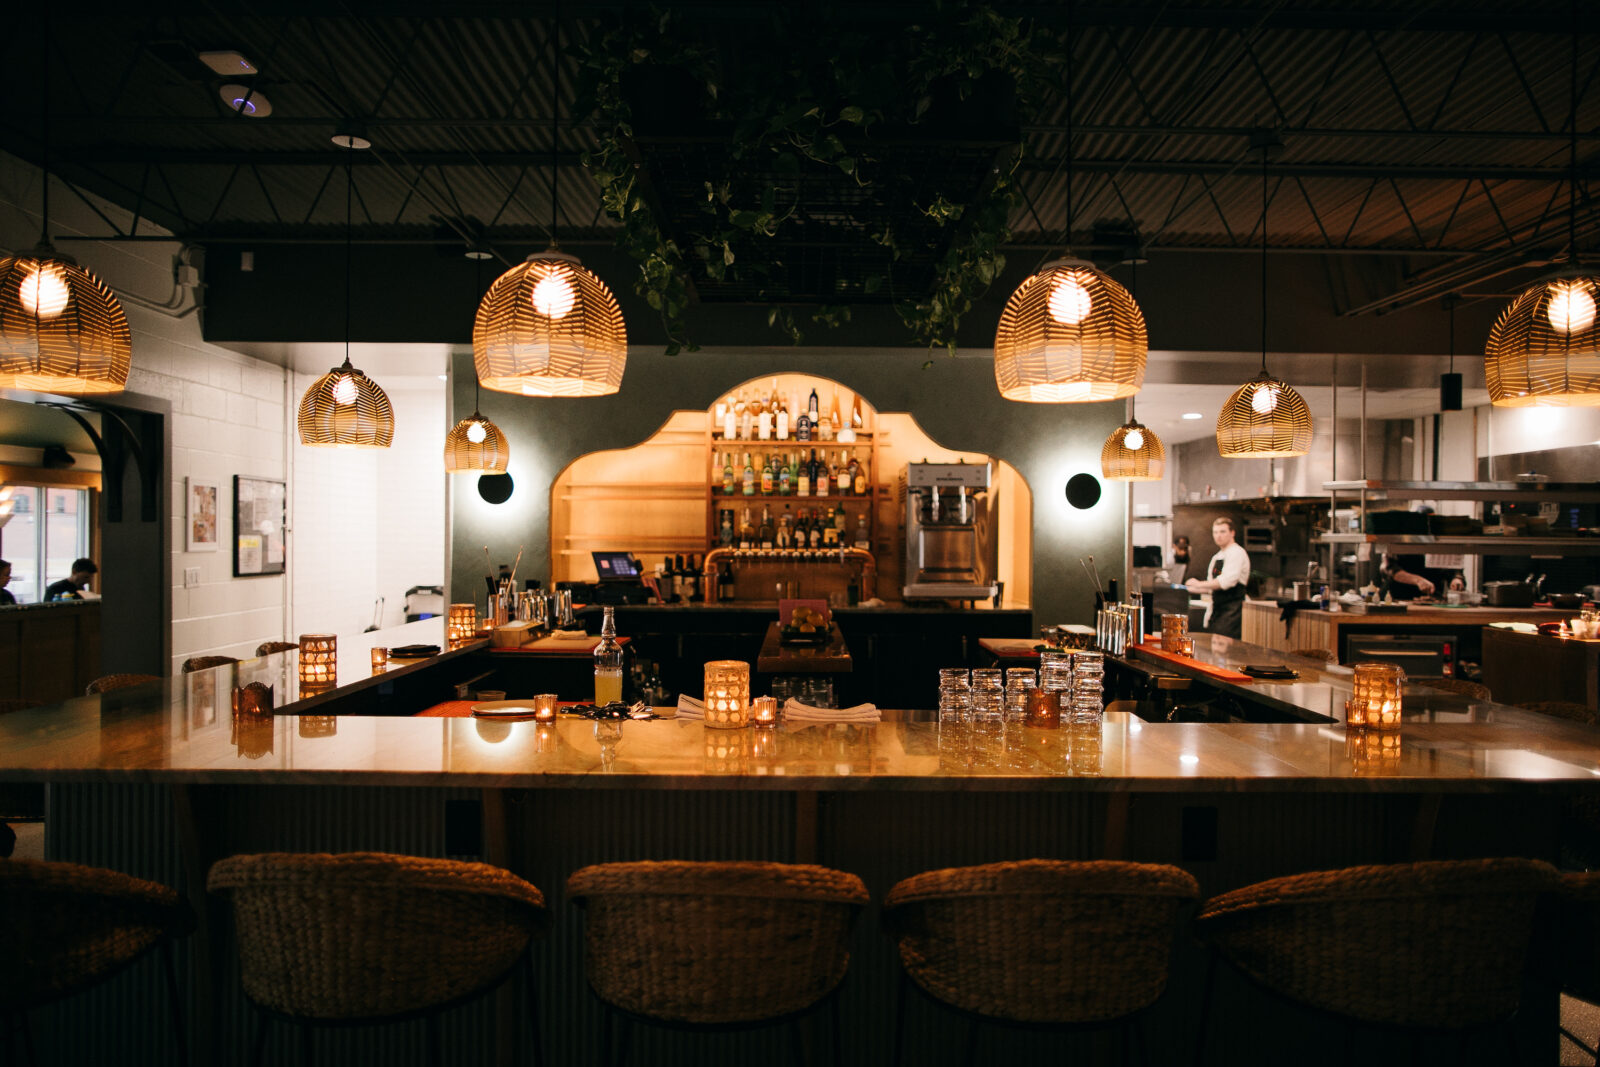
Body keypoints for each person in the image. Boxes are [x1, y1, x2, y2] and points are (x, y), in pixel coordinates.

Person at [1186, 517, 1251, 639]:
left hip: (1233, 611)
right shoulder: (1217, 557)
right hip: (1217, 610)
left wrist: (1198, 584)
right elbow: (1212, 586)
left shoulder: (1237, 553)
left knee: (1227, 652)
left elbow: (1226, 582)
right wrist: (1190, 589)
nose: (1218, 536)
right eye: (1215, 532)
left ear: (1232, 533)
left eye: (1222, 532)